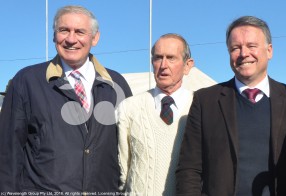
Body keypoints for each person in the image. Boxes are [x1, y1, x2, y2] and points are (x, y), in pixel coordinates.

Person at [0, 5, 132, 193]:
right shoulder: (26, 81)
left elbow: (128, 149)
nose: (71, 39)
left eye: (80, 32)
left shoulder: (116, 85)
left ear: (94, 38)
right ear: (54, 36)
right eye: (64, 30)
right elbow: (8, 153)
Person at [176, 16, 286, 196]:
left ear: (269, 50)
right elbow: (189, 168)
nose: (243, 54)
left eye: (251, 46)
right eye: (235, 48)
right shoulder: (205, 101)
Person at [117, 33, 194, 195]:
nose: (163, 65)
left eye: (171, 58)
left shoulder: (200, 108)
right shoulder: (129, 107)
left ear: (187, 66)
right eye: (158, 58)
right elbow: (122, 170)